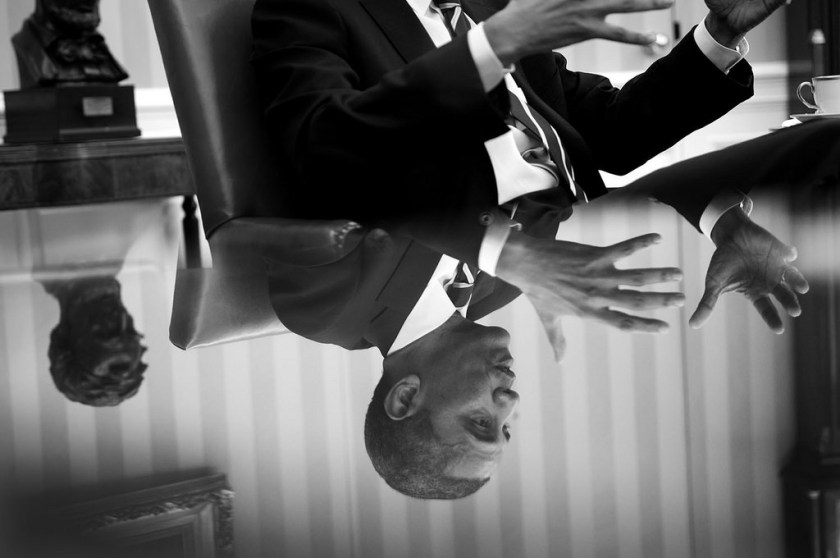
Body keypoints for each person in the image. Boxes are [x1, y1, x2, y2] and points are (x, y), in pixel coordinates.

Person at [251, 0, 838, 498]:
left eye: (482, 421)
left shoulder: (321, 306)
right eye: (506, 428)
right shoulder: (500, 288)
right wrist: (719, 210)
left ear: (406, 396)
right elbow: (609, 137)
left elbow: (329, 155)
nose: (509, 401)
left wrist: (493, 44)